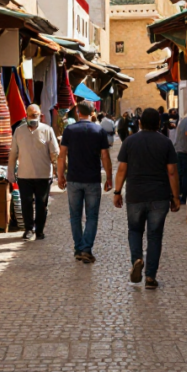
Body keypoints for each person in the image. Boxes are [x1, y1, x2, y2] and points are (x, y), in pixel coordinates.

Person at [113, 107, 181, 290]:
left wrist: (117, 192)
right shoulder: (166, 143)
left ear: (140, 123)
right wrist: (176, 197)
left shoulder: (130, 141)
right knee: (155, 236)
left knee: (134, 231)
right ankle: (150, 276)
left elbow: (121, 170)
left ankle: (136, 259)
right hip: (159, 196)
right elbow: (172, 172)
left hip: (135, 195)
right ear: (159, 124)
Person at [58, 100, 112, 263]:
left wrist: (60, 175)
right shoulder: (99, 131)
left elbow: (62, 155)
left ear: (77, 112)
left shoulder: (69, 130)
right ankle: (86, 249)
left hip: (74, 178)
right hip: (92, 179)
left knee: (75, 216)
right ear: (93, 113)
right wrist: (109, 177)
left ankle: (78, 248)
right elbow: (105, 156)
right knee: (92, 216)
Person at [7, 104, 60, 241]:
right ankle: (28, 229)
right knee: (26, 203)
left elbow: (55, 153)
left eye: (35, 116)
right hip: (24, 175)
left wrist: (58, 171)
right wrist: (11, 173)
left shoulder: (47, 130)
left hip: (43, 175)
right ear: (26, 115)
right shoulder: (19, 131)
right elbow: (13, 153)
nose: (33, 118)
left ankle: (40, 230)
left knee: (41, 204)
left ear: (40, 116)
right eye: (31, 115)